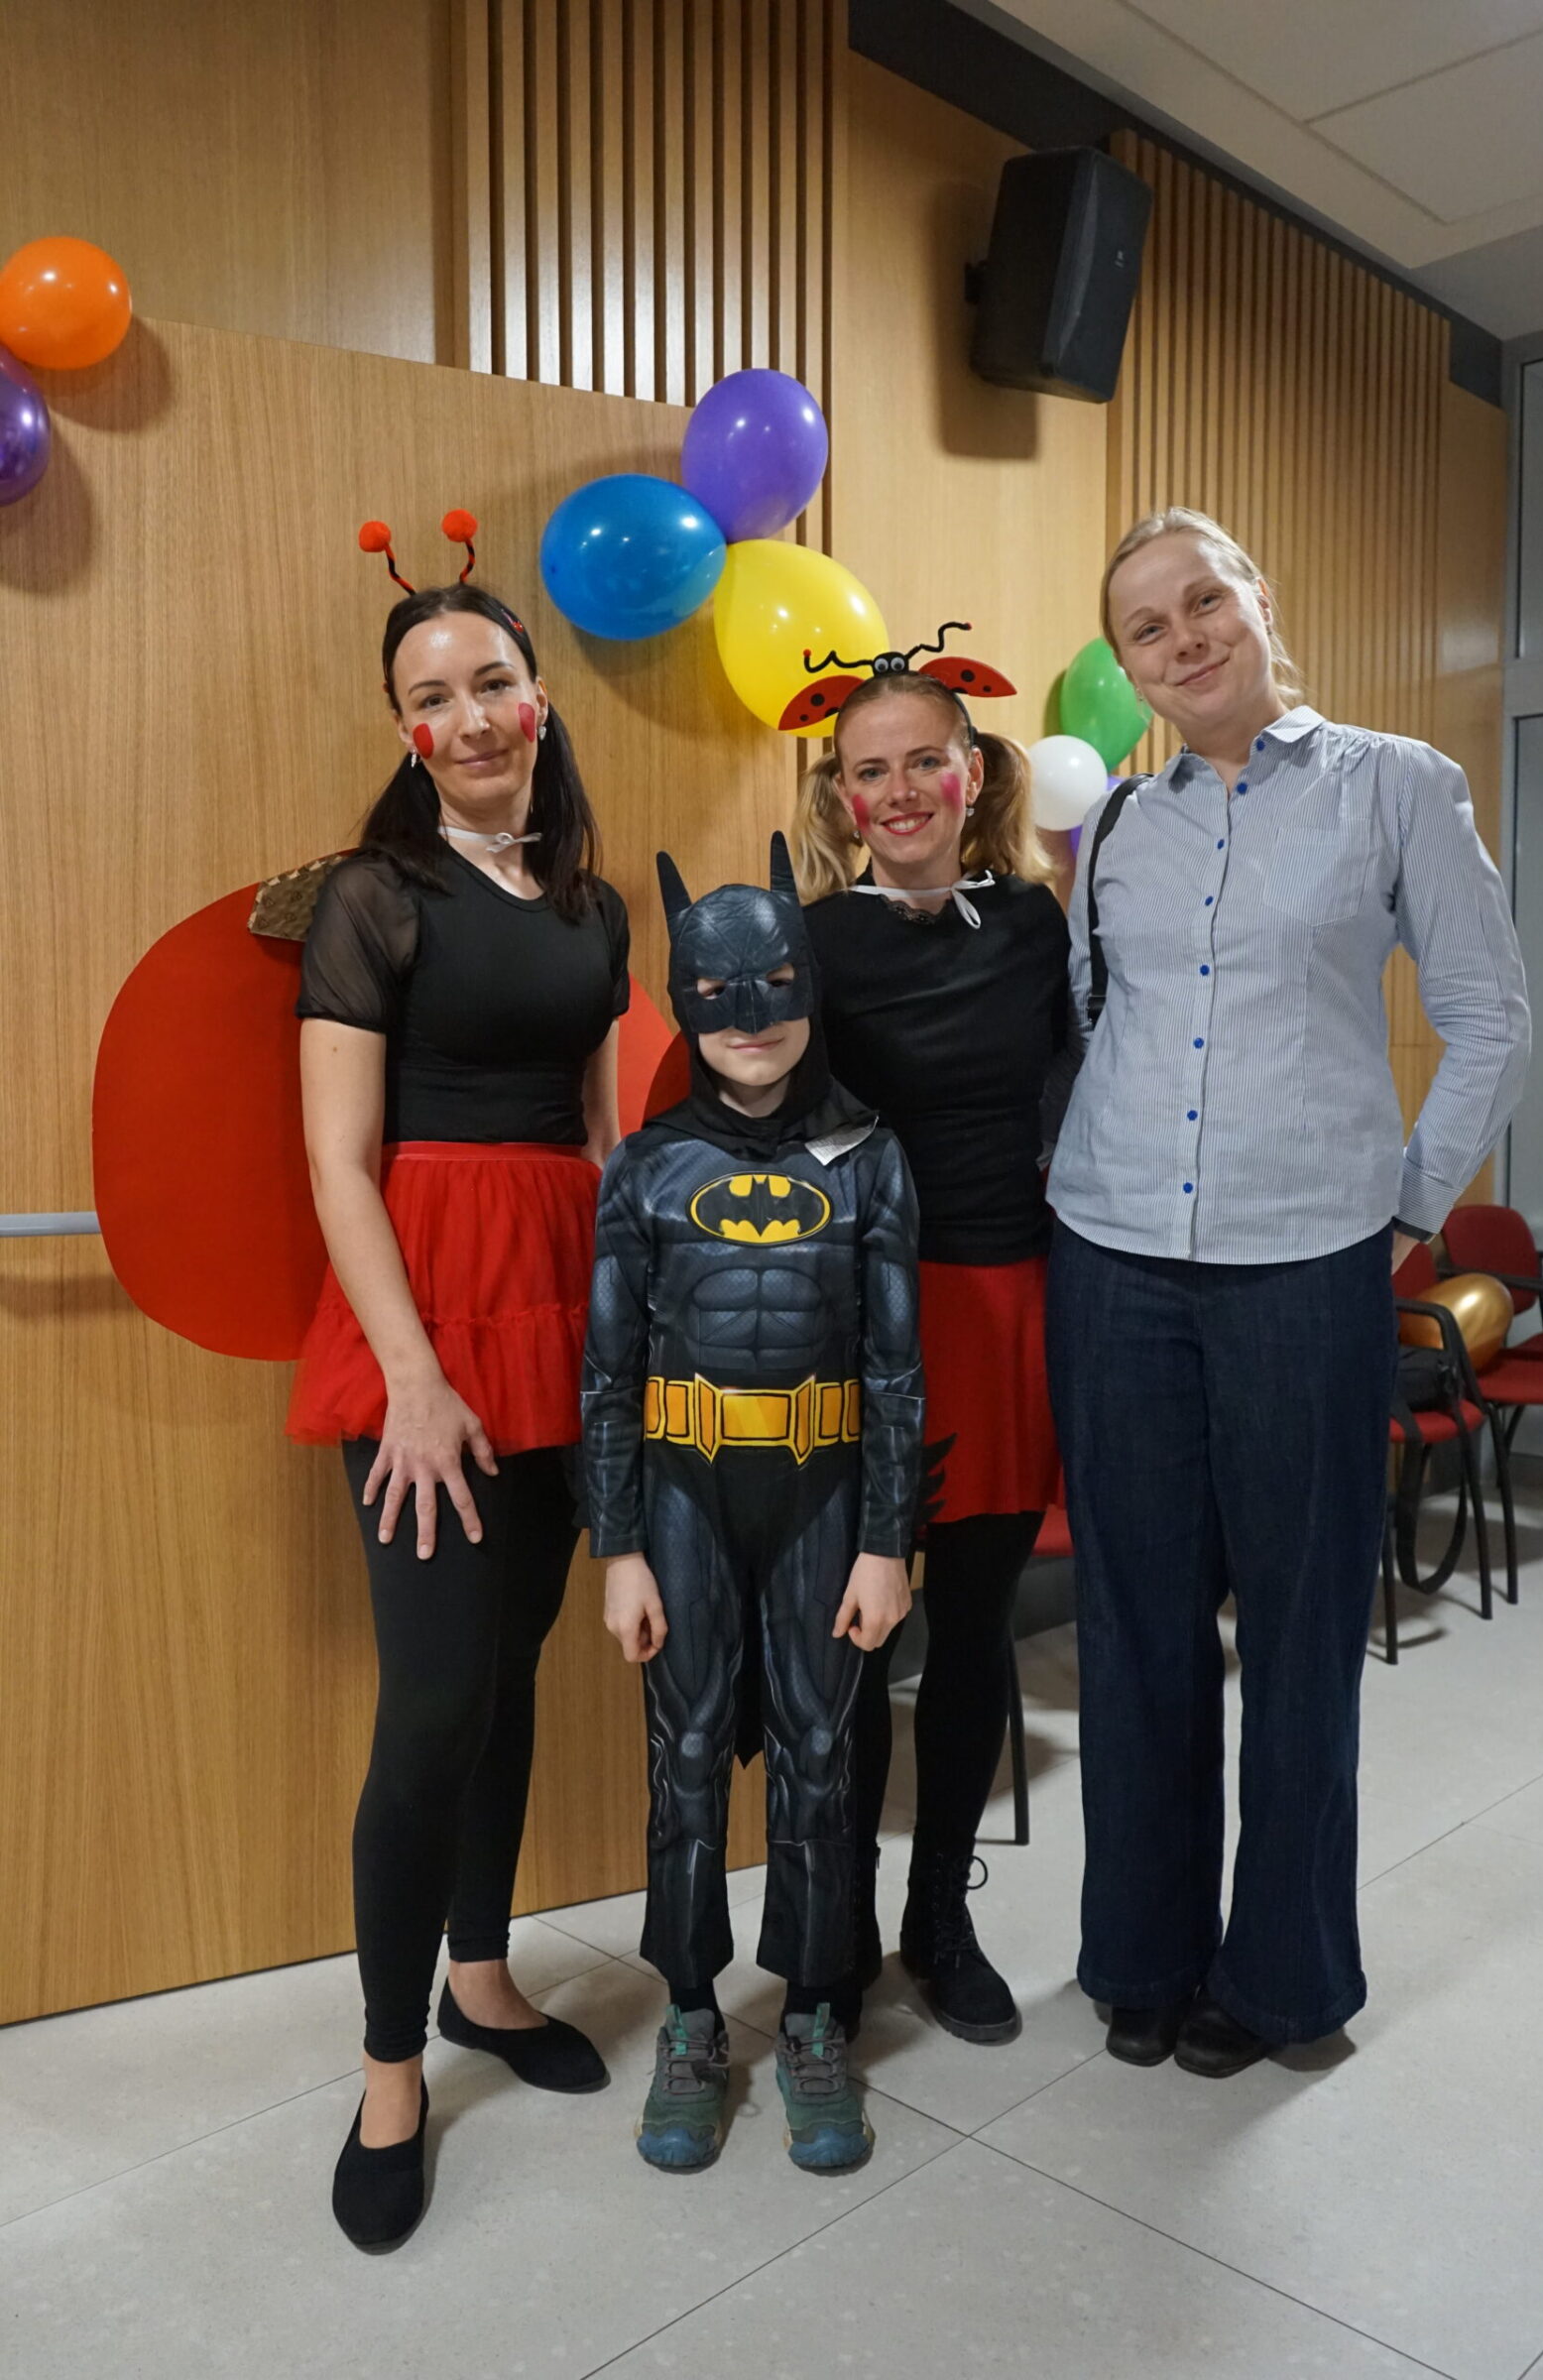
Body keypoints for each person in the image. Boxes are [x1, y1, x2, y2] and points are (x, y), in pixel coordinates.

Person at [1049, 506, 1530, 2077]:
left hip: (1305, 1266)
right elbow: (1089, 1022)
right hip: (1114, 1256)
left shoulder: (1397, 784)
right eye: (1147, 627)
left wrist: (1407, 1207)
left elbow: (1490, 1013)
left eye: (1205, 601)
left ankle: (1282, 1980)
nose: (1183, 639)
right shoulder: (1118, 827)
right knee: (1135, 1628)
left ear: (1258, 599)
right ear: (1126, 667)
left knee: (1305, 1630)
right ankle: (1140, 1954)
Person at [294, 520, 626, 2249]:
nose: (472, 715)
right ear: (406, 730)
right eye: (434, 696)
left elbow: (601, 1137)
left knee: (508, 1672)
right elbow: (338, 1163)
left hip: (565, 1312)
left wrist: (634, 1333)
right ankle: (387, 2073)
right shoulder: (374, 895)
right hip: (428, 1317)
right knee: (431, 1701)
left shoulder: (594, 904)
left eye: (493, 680)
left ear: (540, 698)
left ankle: (482, 1978)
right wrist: (414, 1384)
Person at [583, 837, 921, 2173]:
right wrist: (618, 1548)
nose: (750, 1018)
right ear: (683, 999)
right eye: (716, 994)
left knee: (823, 1758)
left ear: (808, 988)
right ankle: (689, 2015)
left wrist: (889, 1541)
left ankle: (815, 2013)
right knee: (681, 1757)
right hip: (681, 1491)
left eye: (775, 987)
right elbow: (608, 1373)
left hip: (828, 1491)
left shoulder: (873, 1158)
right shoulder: (644, 1169)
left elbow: (896, 1368)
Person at [794, 659, 1077, 2047]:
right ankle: (839, 1926)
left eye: (925, 761)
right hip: (863, 1321)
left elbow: (1083, 1094)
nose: (901, 791)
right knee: (854, 1643)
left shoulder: (1033, 921)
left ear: (972, 774)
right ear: (842, 798)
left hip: (1007, 1304)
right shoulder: (810, 942)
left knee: (972, 1636)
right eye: (872, 770)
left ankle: (938, 1922)